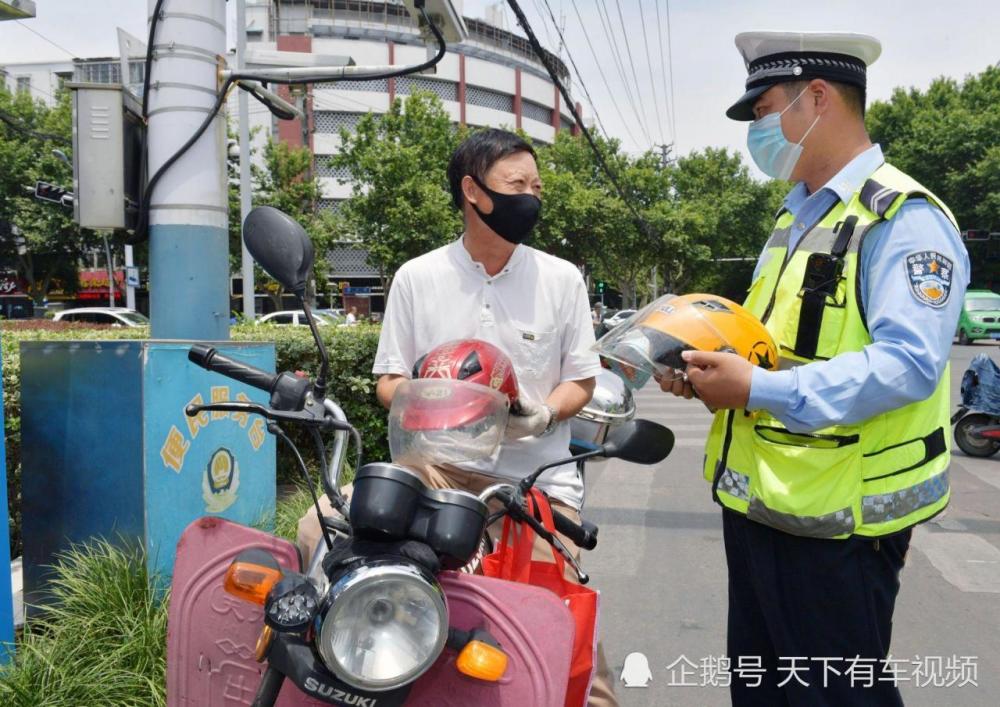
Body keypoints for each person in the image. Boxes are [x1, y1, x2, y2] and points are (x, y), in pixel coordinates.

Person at [660, 31, 969, 706]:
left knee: (837, 695)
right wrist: (712, 374)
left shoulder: (903, 221)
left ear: (818, 98)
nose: (757, 129)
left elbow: (908, 364)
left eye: (764, 109)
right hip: (763, 507)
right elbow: (770, 346)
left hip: (840, 525)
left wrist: (758, 387)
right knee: (765, 690)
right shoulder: (796, 216)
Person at [297, 128, 617, 706]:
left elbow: (583, 381)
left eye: (537, 185)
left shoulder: (562, 278)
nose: (532, 196)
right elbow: (388, 382)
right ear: (472, 191)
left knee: (562, 625)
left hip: (534, 479)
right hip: (435, 471)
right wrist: (444, 404)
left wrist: (541, 415)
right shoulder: (418, 277)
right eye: (517, 184)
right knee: (316, 527)